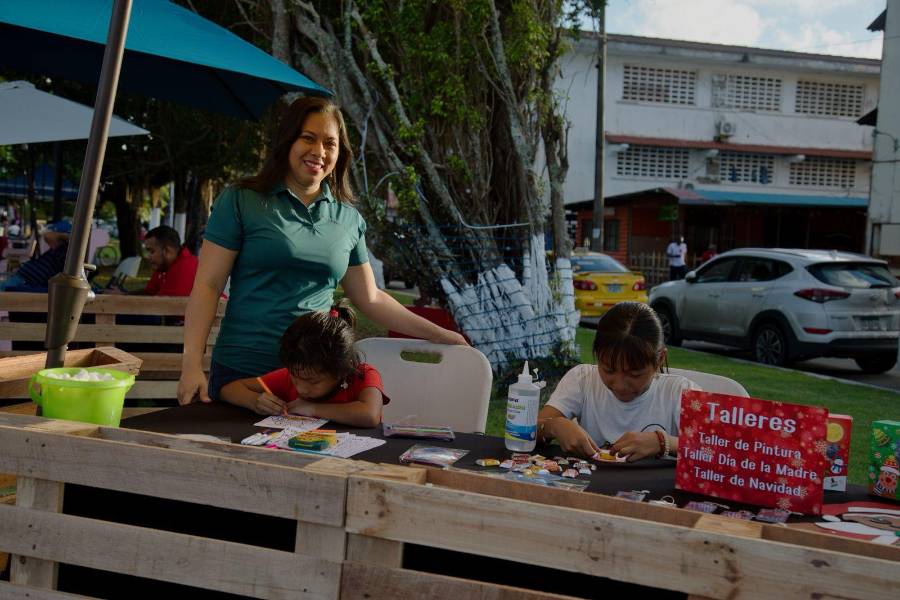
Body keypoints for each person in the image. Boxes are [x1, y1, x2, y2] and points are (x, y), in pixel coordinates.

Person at [178, 96, 466, 405]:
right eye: (308, 138)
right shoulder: (241, 200)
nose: (319, 152)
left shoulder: (348, 219)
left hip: (315, 381)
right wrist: (191, 364)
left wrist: (439, 334)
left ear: (340, 153)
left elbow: (370, 297)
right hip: (243, 374)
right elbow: (208, 285)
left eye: (330, 143)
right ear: (287, 140)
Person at [536, 302, 699, 461]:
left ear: (659, 360)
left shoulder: (680, 392)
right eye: (608, 370)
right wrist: (554, 426)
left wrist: (662, 442)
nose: (620, 385)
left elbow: (717, 452)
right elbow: (523, 431)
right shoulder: (582, 380)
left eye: (634, 374)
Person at [220, 301, 387, 427]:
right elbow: (228, 389)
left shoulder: (363, 375)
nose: (301, 388)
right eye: (295, 378)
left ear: (341, 369)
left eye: (313, 382)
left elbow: (370, 415)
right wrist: (254, 400)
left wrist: (312, 409)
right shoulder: (295, 374)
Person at [106, 226, 198, 297]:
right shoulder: (164, 266)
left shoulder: (184, 268)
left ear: (167, 251)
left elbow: (160, 309)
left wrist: (123, 298)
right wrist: (124, 296)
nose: (148, 256)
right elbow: (149, 293)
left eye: (151, 251)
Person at [0, 219, 70, 292]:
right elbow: (48, 236)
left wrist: (70, 238)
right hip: (26, 276)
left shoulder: (71, 258)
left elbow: (48, 236)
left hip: (28, 281)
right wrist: (69, 238)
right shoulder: (66, 248)